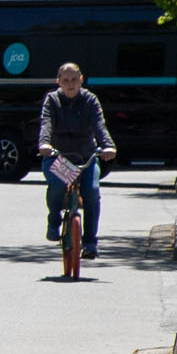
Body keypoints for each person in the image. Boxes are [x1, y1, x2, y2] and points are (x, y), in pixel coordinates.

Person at [39, 62, 116, 259]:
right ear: (59, 82)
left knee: (92, 192)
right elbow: (46, 124)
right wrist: (45, 144)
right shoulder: (52, 100)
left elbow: (100, 125)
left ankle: (90, 242)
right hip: (59, 156)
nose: (70, 84)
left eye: (74, 79)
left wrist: (108, 146)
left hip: (86, 157)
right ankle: (54, 219)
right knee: (57, 184)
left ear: (81, 80)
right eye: (65, 80)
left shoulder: (90, 100)